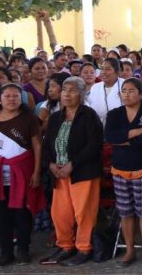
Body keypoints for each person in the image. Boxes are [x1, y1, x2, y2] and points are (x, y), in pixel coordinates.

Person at [0, 84, 44, 266]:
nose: (12, 99)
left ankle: (23, 250)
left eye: (15, 96)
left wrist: (36, 172)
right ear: (0, 98)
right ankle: (6, 252)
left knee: (22, 213)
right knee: (2, 215)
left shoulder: (29, 119)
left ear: (21, 99)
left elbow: (37, 146)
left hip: (23, 175)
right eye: (7, 96)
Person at [40, 77, 104, 266]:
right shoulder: (55, 118)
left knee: (83, 212)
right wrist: (50, 164)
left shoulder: (89, 116)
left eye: (73, 90)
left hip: (82, 172)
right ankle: (65, 246)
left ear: (82, 94)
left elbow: (94, 146)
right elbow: (46, 145)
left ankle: (84, 248)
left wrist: (72, 164)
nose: (67, 94)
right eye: (65, 90)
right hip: (59, 174)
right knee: (60, 213)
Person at [105, 78, 142, 268]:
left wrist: (124, 139)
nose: (126, 94)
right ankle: (129, 250)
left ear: (140, 93)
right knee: (125, 212)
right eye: (124, 91)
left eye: (131, 90)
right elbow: (110, 137)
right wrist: (133, 133)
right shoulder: (114, 114)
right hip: (119, 168)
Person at [86, 58, 125, 125]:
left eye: (107, 69)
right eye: (102, 69)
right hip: (98, 128)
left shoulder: (125, 85)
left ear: (117, 72)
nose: (103, 72)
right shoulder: (95, 87)